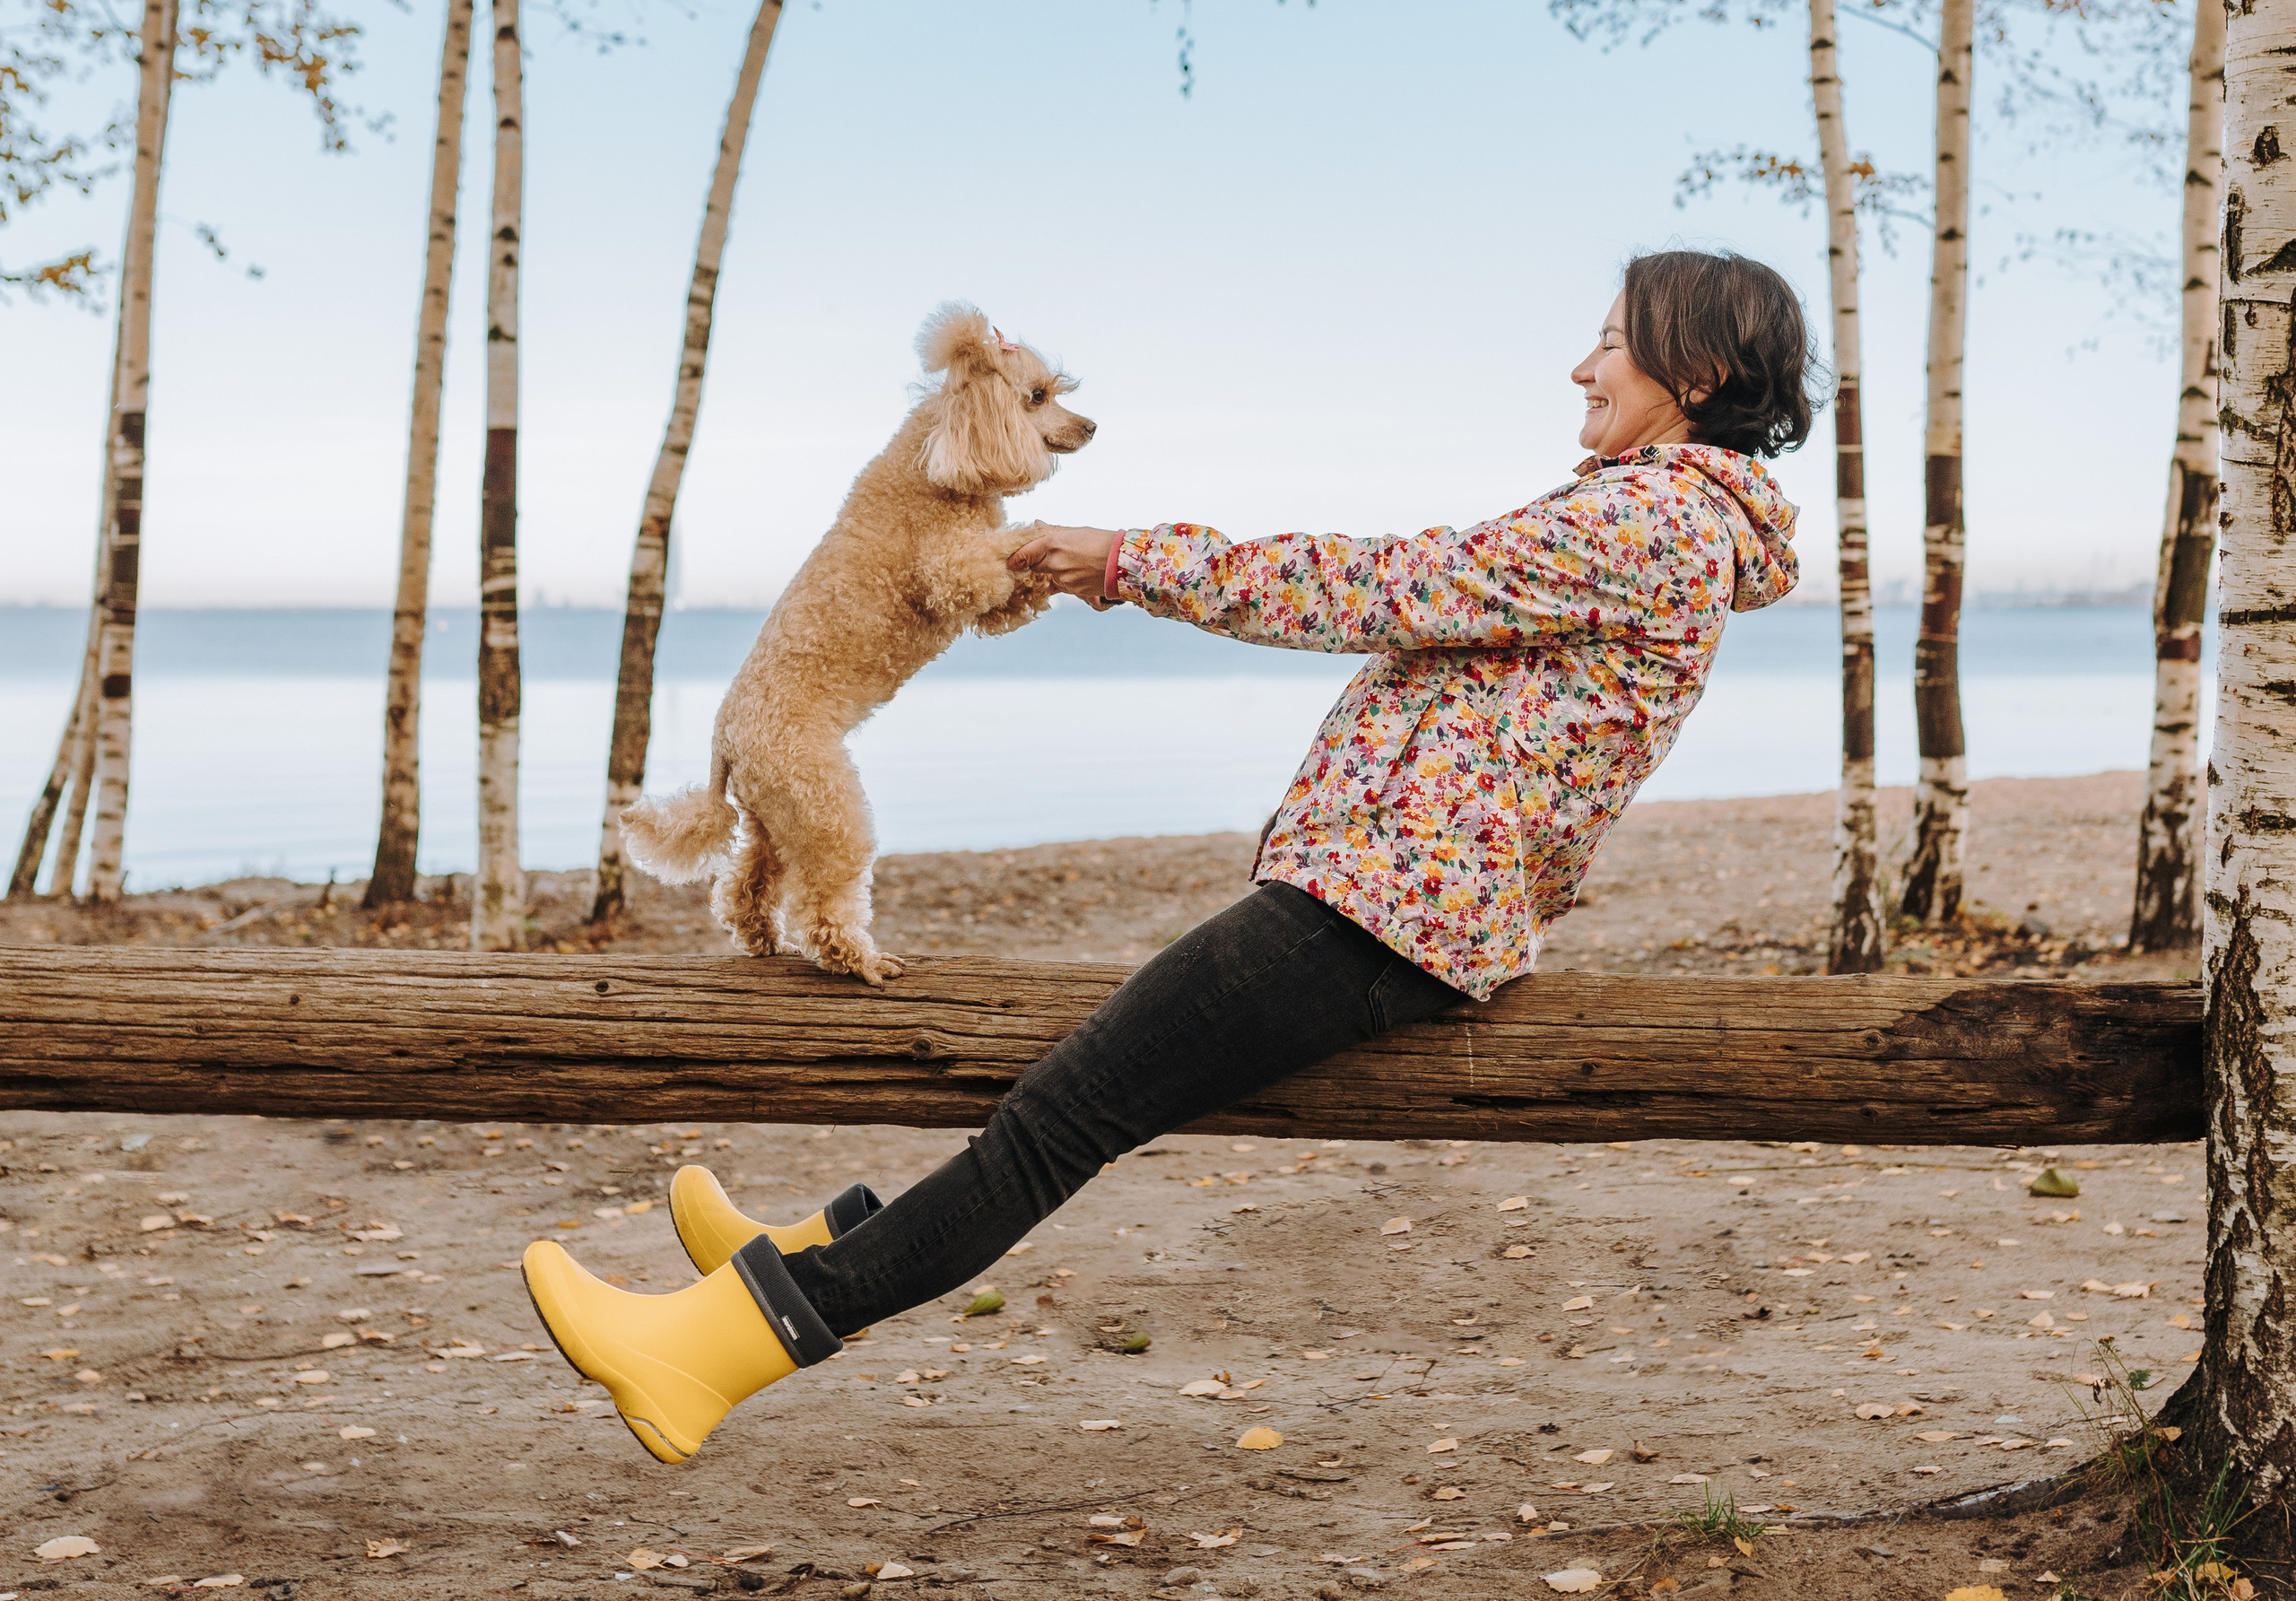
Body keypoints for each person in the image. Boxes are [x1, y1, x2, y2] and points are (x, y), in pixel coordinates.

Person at [521, 247, 1815, 1465]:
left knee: (1054, 1127)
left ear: (1691, 378)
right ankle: (799, 1254)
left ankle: (708, 1351)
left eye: (1608, 345)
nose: (1582, 368)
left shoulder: (1654, 522)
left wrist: (1131, 560)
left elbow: (1385, 583)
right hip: (1388, 901)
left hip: (1380, 915)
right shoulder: (1662, 517)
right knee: (1063, 1101)